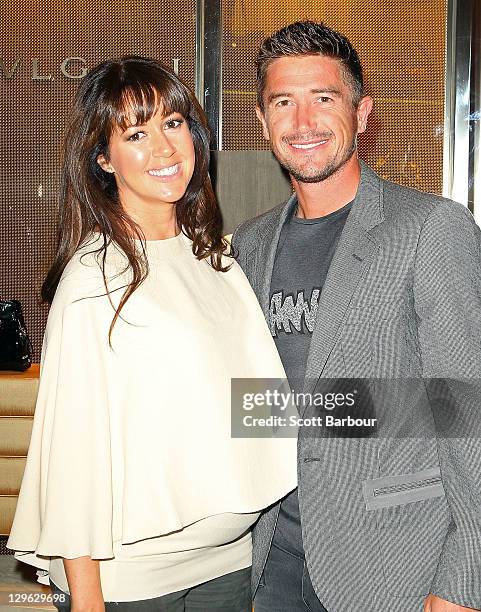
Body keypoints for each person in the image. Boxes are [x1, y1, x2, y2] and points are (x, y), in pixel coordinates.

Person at [7, 56, 297, 611]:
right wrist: (88, 596)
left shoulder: (216, 257)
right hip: (130, 583)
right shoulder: (96, 275)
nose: (164, 148)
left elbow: (246, 402)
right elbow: (74, 448)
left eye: (173, 122)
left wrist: (385, 413)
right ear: (103, 159)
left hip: (228, 563)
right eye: (136, 133)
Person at [232, 21, 481, 612]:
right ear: (264, 123)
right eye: (283, 103)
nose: (303, 122)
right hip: (272, 559)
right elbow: (260, 402)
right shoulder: (250, 244)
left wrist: (463, 578)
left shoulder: (429, 229)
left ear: (362, 113)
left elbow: (466, 407)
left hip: (395, 562)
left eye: (324, 98)